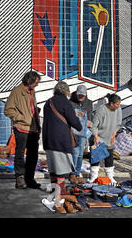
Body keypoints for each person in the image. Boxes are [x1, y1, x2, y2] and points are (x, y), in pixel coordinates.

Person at [42, 82, 82, 214]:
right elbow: (75, 123)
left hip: (48, 140)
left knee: (53, 169)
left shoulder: (48, 102)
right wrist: (80, 125)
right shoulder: (65, 102)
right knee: (61, 172)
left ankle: (55, 193)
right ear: (67, 92)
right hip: (61, 141)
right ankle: (60, 197)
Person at [4, 71, 42, 189]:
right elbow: (8, 110)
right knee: (20, 153)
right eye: (35, 82)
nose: (37, 85)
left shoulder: (32, 92)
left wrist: (37, 122)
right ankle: (19, 178)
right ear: (29, 81)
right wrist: (22, 118)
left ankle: (29, 178)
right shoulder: (16, 92)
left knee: (33, 155)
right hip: (21, 128)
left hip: (33, 128)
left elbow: (32, 109)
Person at [89, 93, 122, 185]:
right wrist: (96, 137)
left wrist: (113, 135)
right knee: (96, 157)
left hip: (110, 136)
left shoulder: (118, 109)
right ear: (111, 103)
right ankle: (93, 177)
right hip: (98, 136)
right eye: (117, 104)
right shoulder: (101, 110)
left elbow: (118, 123)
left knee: (109, 156)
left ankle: (110, 176)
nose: (119, 106)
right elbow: (94, 125)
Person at [69, 85, 94, 184]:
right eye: (79, 95)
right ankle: (72, 174)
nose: (81, 97)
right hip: (73, 132)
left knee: (80, 154)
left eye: (82, 96)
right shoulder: (70, 103)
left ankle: (77, 173)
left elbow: (91, 116)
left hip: (83, 132)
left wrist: (89, 122)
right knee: (74, 153)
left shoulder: (89, 103)